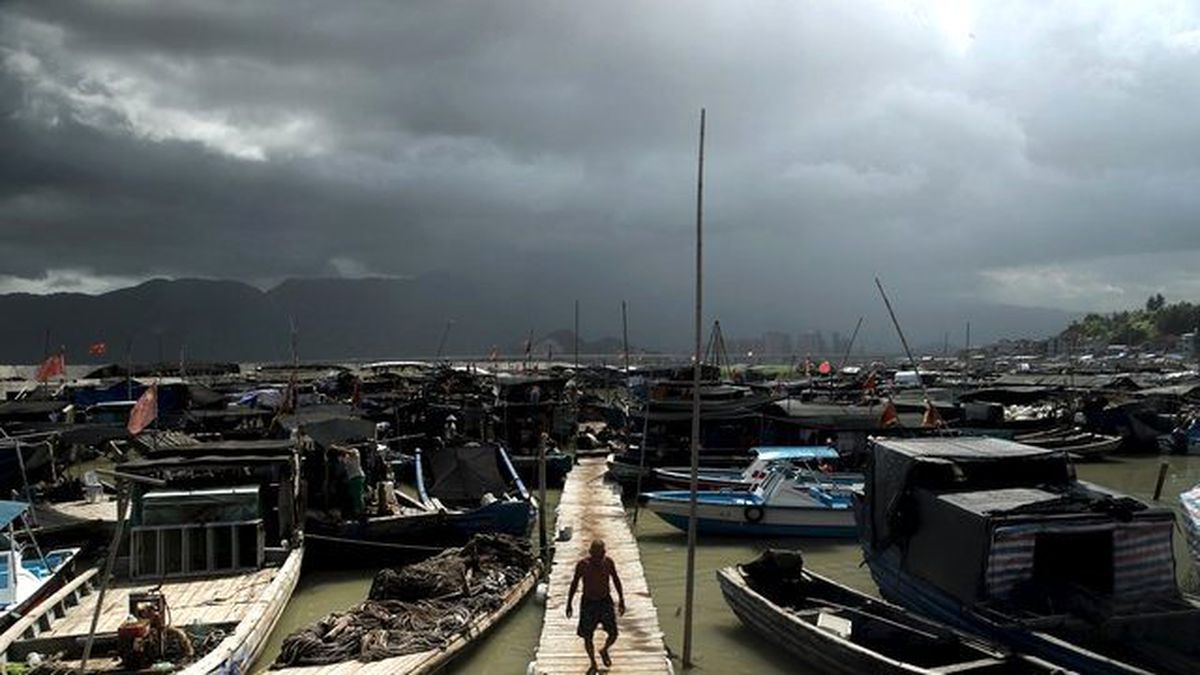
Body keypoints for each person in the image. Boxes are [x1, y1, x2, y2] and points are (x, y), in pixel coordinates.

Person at [566, 539, 625, 673]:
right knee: (587, 636)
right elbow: (574, 583)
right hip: (589, 602)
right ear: (591, 553)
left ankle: (604, 650)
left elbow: (616, 579)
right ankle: (593, 662)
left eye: (601, 555)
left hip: (605, 601)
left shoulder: (608, 562)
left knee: (613, 633)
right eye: (596, 555)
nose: (599, 558)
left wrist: (621, 599)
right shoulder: (583, 565)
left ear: (604, 553)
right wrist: (569, 603)